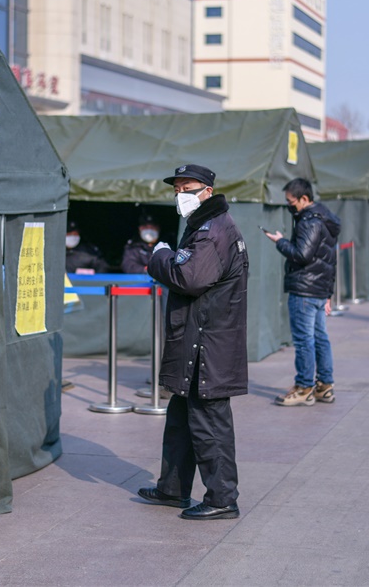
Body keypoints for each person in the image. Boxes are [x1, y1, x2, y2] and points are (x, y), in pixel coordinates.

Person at [137, 164, 249, 521]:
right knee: (181, 418)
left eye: (187, 188)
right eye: (177, 189)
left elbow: (188, 277)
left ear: (208, 192)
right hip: (198, 341)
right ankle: (172, 488)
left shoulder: (213, 231)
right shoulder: (205, 227)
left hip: (208, 346)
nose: (180, 195)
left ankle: (221, 497)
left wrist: (159, 257)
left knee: (209, 424)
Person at [264, 178, 341, 406]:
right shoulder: (325, 218)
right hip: (318, 289)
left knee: (304, 340)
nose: (289, 205)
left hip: (304, 289)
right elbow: (330, 260)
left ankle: (304, 386)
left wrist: (280, 242)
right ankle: (324, 386)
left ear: (304, 199)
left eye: (291, 201)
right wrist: (329, 291)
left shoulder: (309, 221)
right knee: (320, 338)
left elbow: (302, 254)